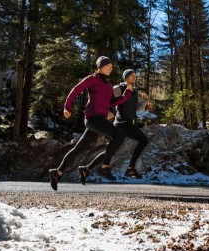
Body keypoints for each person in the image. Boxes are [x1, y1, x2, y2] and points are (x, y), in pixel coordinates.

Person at [49, 56, 132, 190]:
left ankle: (58, 173)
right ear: (101, 66)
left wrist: (127, 94)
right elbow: (76, 90)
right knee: (117, 136)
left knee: (78, 149)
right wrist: (67, 107)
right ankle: (104, 168)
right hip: (93, 118)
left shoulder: (109, 84)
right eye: (108, 65)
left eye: (112, 66)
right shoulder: (93, 79)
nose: (111, 67)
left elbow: (112, 102)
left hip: (100, 120)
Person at [112, 69, 150, 179]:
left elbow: (138, 109)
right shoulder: (119, 88)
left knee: (113, 148)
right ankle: (131, 169)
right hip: (121, 122)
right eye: (132, 76)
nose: (135, 78)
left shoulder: (135, 91)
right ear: (126, 77)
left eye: (135, 76)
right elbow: (113, 101)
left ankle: (90, 167)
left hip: (127, 123)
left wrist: (146, 100)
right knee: (143, 140)